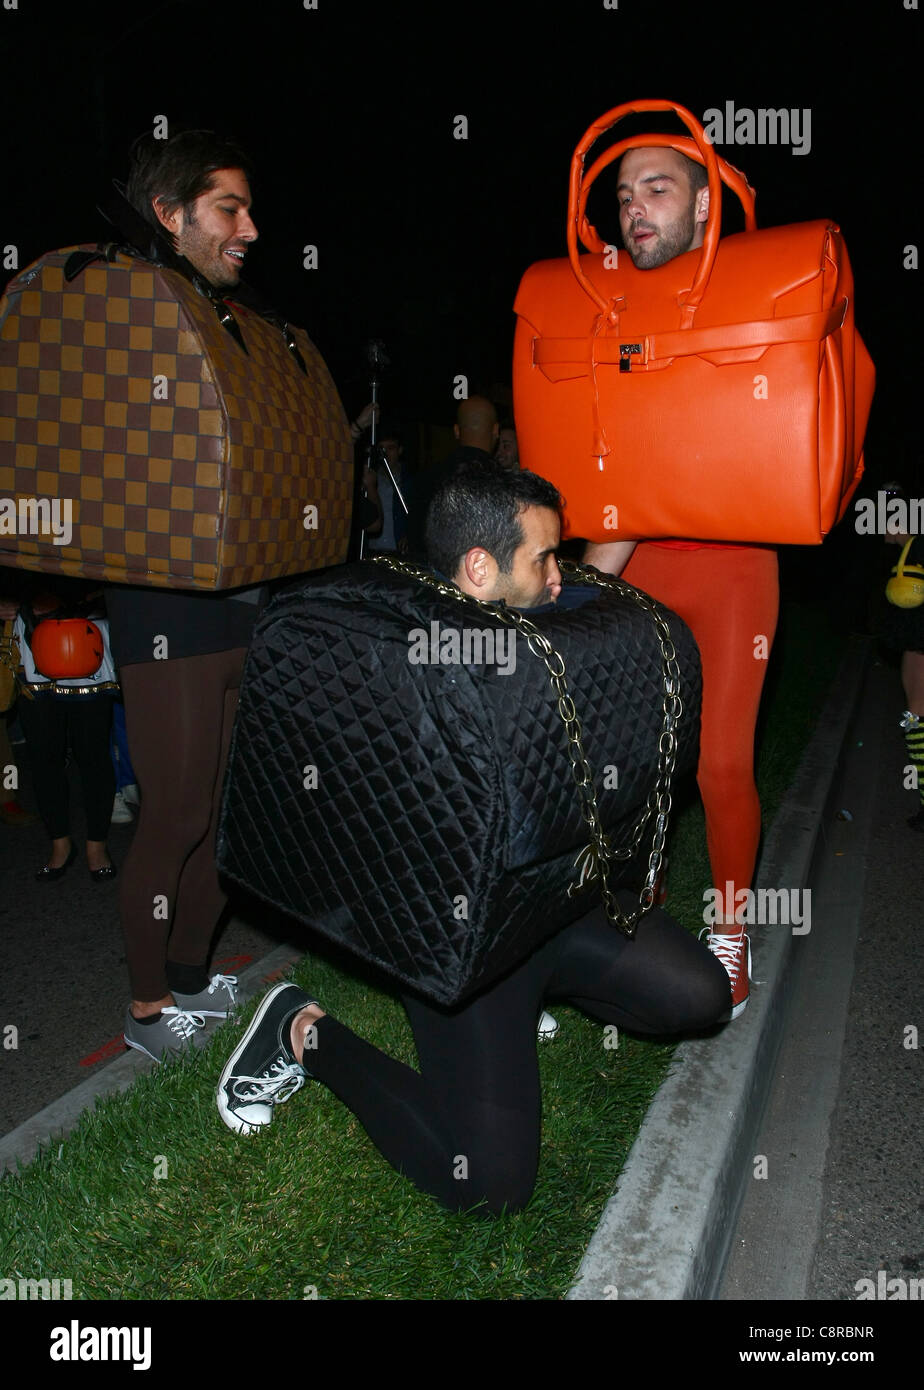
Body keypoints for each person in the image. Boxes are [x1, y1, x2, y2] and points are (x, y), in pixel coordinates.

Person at [216, 462, 730, 1215]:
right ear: (480, 568)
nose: (563, 576)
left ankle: (541, 1001)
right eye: (545, 559)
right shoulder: (407, 669)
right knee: (486, 1180)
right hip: (462, 943)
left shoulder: (527, 632)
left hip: (552, 907)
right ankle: (298, 1030)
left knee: (699, 996)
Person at [105, 130, 292, 1059]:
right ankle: (146, 1012)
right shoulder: (126, 313)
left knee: (225, 818)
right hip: (165, 610)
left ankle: (187, 975)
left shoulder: (232, 321)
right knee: (173, 813)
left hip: (240, 602)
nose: (251, 228)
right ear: (171, 216)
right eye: (230, 208)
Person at [583, 146, 780, 1019]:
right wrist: (581, 590)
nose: (636, 207)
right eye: (623, 195)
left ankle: (732, 931)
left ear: (705, 206)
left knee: (723, 763)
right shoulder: (608, 304)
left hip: (737, 559)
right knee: (625, 762)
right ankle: (636, 902)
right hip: (644, 554)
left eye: (657, 188)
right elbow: (620, 467)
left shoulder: (752, 286)